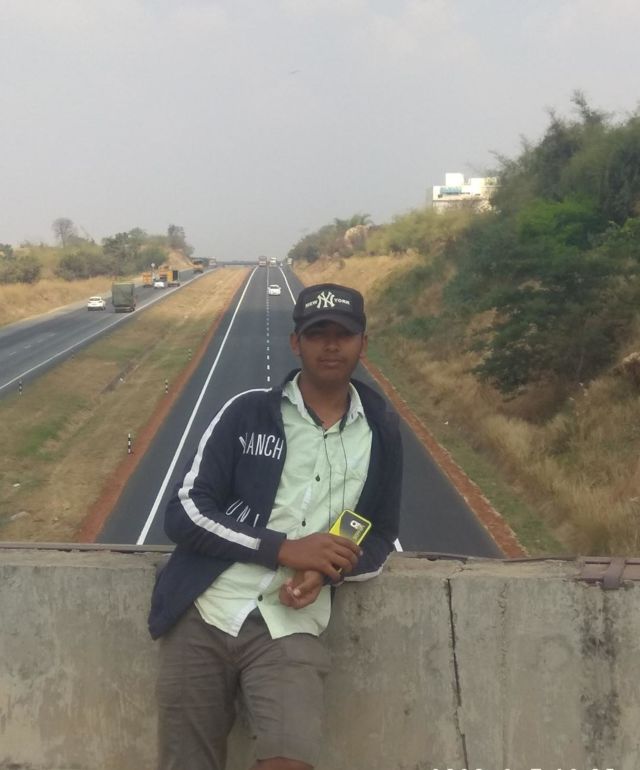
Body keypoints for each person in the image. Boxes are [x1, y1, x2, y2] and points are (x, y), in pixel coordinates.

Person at [148, 282, 403, 770]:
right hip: (206, 610)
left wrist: (326, 569)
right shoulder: (247, 413)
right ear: (295, 343)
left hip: (290, 626)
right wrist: (284, 549)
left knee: (290, 758)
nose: (331, 346)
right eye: (317, 334)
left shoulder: (382, 431)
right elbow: (186, 511)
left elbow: (376, 531)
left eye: (343, 335)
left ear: (363, 344)